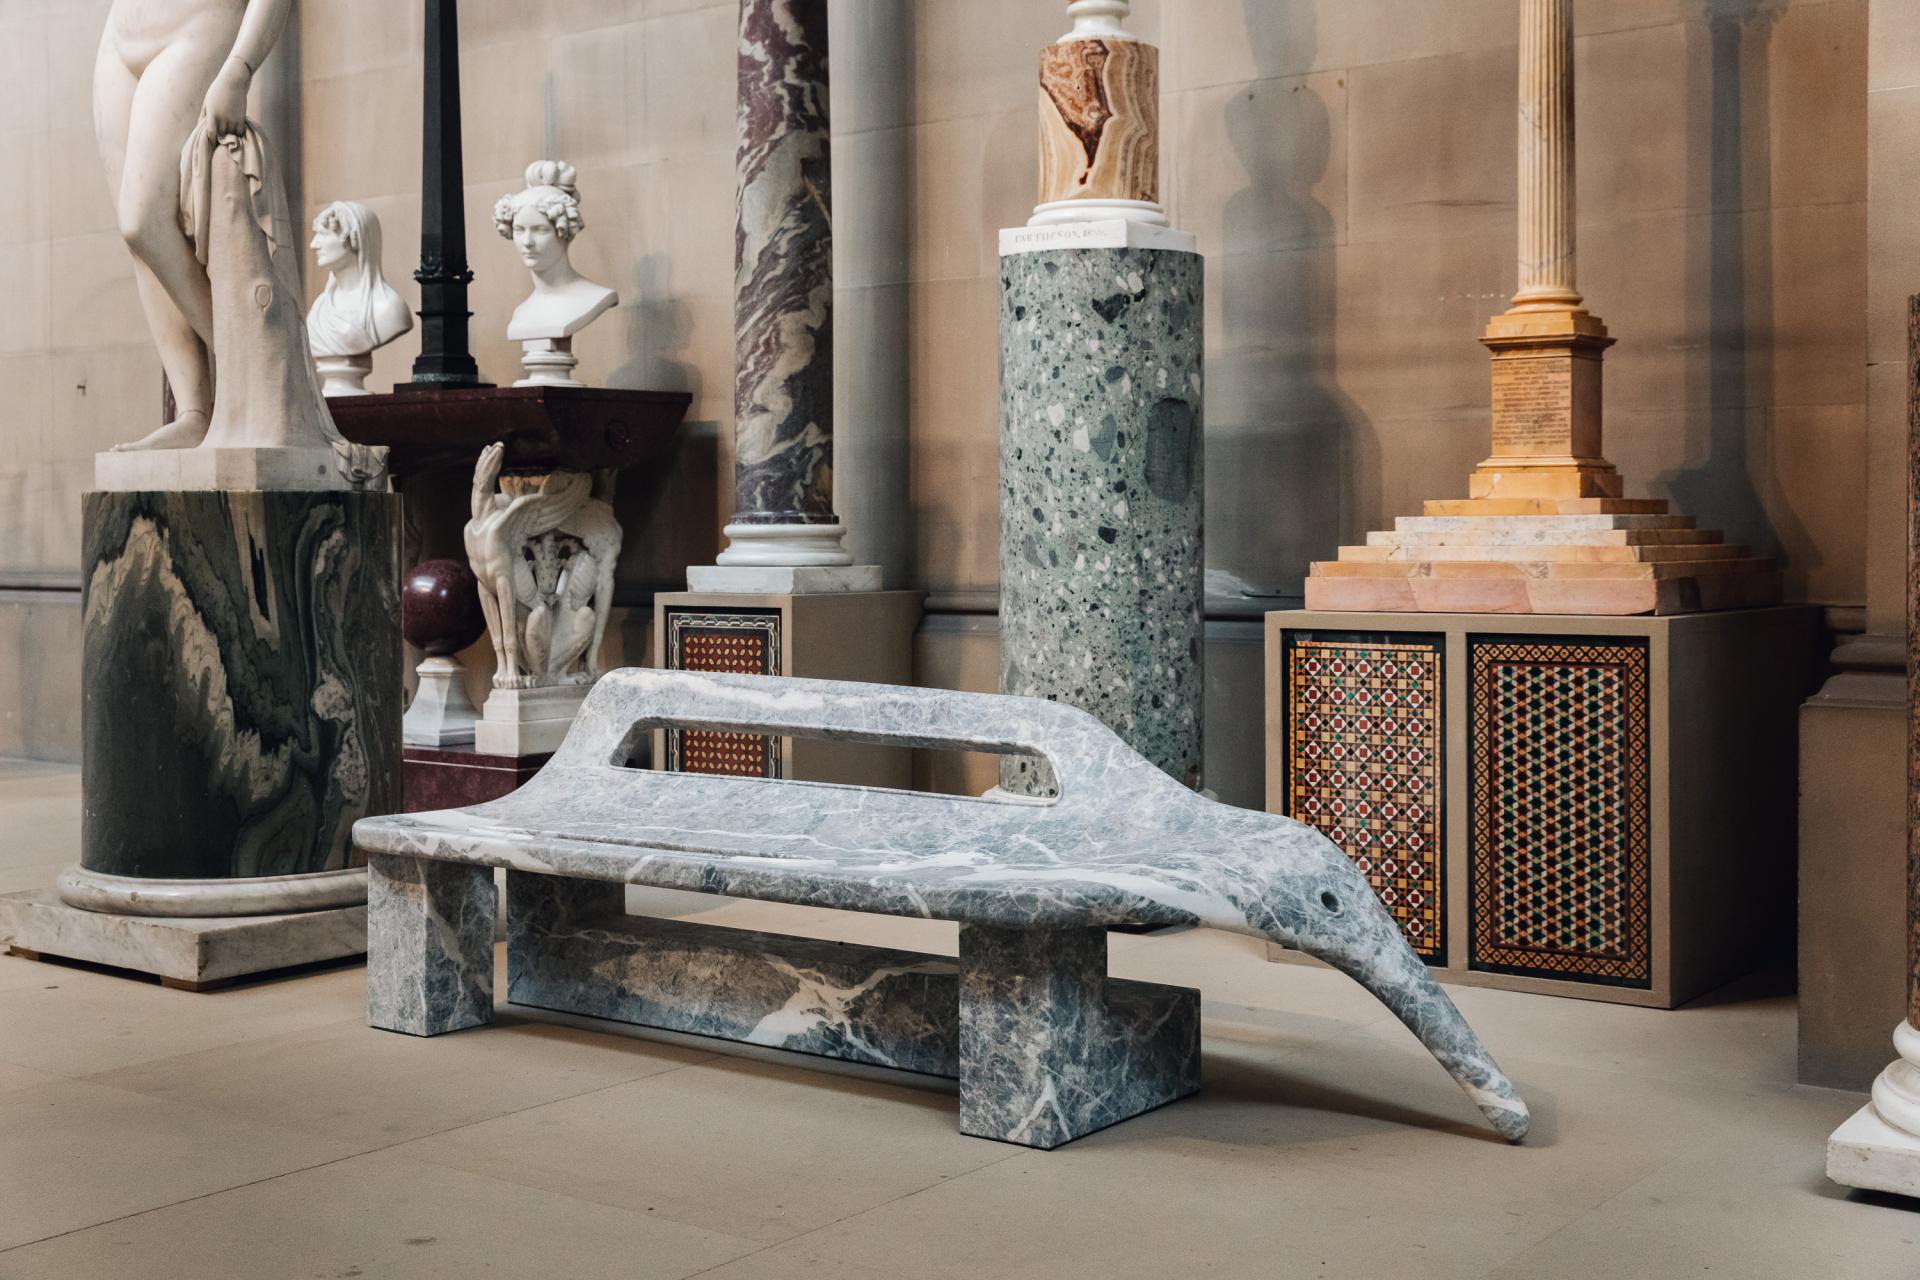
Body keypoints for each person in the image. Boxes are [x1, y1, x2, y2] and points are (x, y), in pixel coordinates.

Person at [95, 0, 297, 451]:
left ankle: (263, 379)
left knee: (142, 221)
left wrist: (240, 67)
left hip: (200, 24)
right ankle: (194, 410)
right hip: (119, 39)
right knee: (142, 246)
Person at [306, 201, 413, 362]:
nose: (313, 245)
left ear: (355, 239)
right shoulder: (319, 308)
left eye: (324, 234)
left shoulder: (388, 308)